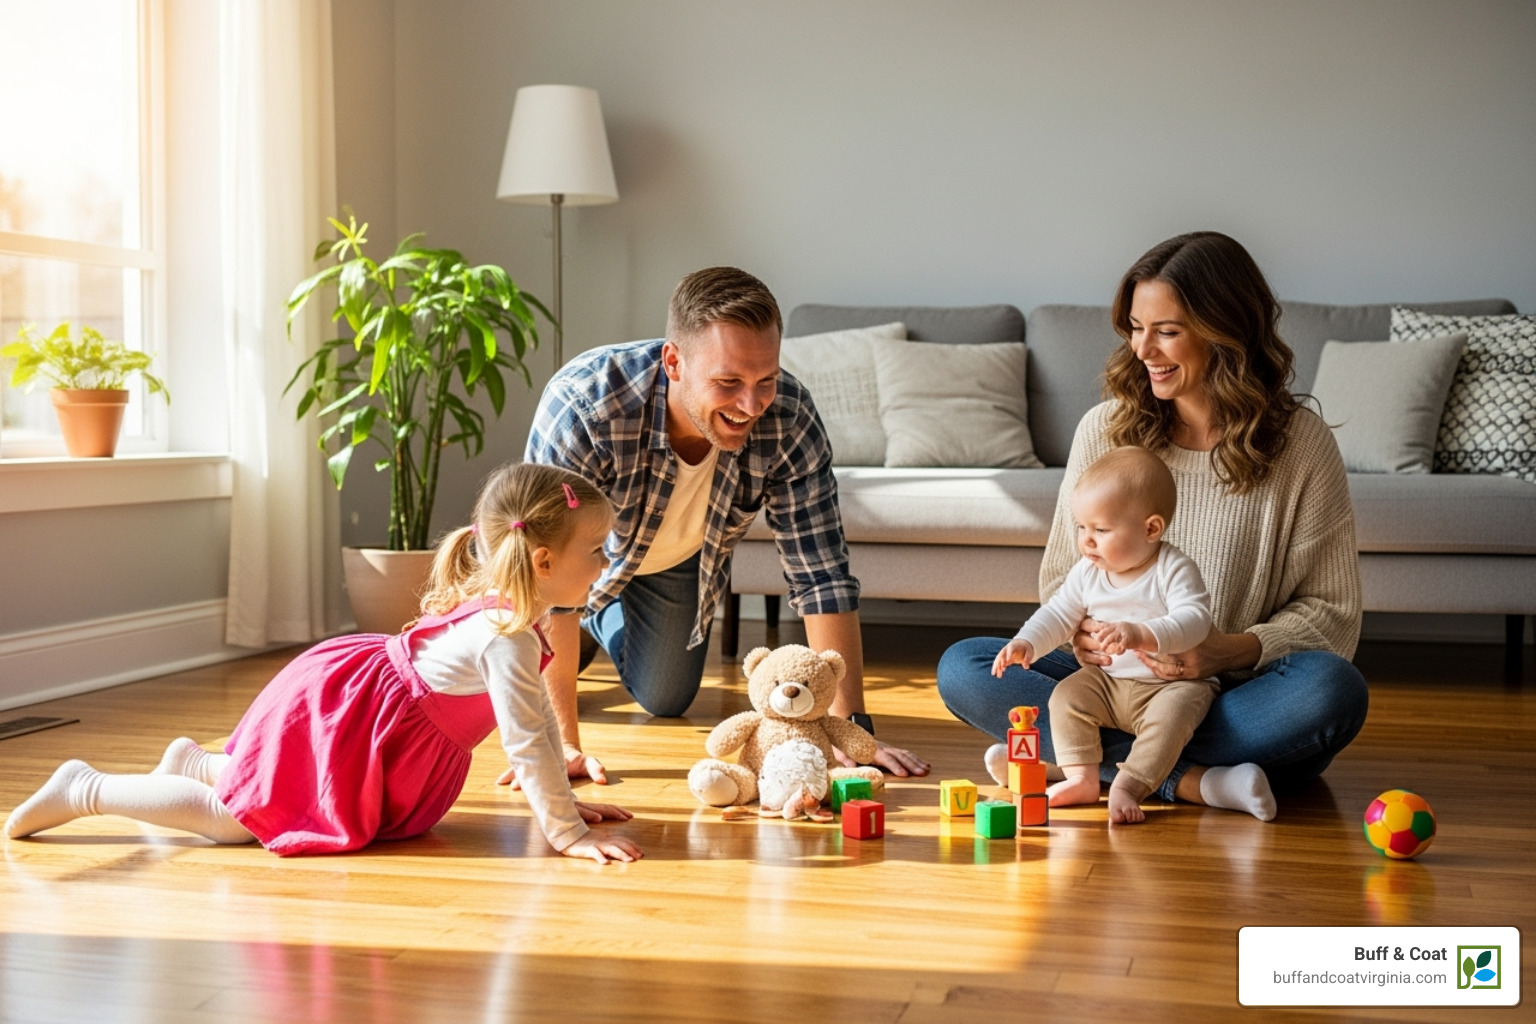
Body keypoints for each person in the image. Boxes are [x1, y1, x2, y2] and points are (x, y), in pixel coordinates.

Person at [6, 463, 644, 865]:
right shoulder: (508, 636)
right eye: (596, 549)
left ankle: (197, 764)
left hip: (360, 711)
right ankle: (87, 788)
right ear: (542, 564)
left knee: (266, 792)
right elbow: (526, 740)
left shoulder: (516, 613)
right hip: (350, 717)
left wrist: (562, 801)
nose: (604, 563)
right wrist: (565, 832)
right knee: (235, 825)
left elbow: (530, 736)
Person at [939, 231, 1368, 820]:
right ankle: (1197, 781)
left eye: (1167, 331)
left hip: (1230, 689)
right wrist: (1082, 636)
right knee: (965, 668)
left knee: (1330, 692)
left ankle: (1084, 763)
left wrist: (1226, 652)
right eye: (1135, 328)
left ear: (1227, 331)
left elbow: (1332, 613)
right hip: (1115, 682)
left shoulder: (1300, 445)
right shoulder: (1104, 430)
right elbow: (1066, 575)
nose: (1144, 349)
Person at [523, 266, 929, 786]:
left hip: (676, 560)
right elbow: (549, 576)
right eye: (728, 382)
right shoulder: (587, 406)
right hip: (581, 558)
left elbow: (821, 574)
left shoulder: (790, 417)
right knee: (544, 621)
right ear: (674, 362)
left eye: (766, 381)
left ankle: (595, 616)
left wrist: (850, 729)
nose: (751, 405)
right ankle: (586, 609)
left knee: (667, 696)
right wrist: (564, 747)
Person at [990, 446, 1267, 824]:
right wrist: (1027, 643)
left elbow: (1195, 620)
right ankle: (1082, 777)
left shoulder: (1173, 568)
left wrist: (1141, 633)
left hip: (1169, 687)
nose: (1087, 540)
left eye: (1101, 530)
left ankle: (1128, 785)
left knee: (1172, 719)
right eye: (1082, 527)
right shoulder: (1087, 572)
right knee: (1066, 696)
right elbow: (1057, 613)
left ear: (1151, 529)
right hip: (1107, 682)